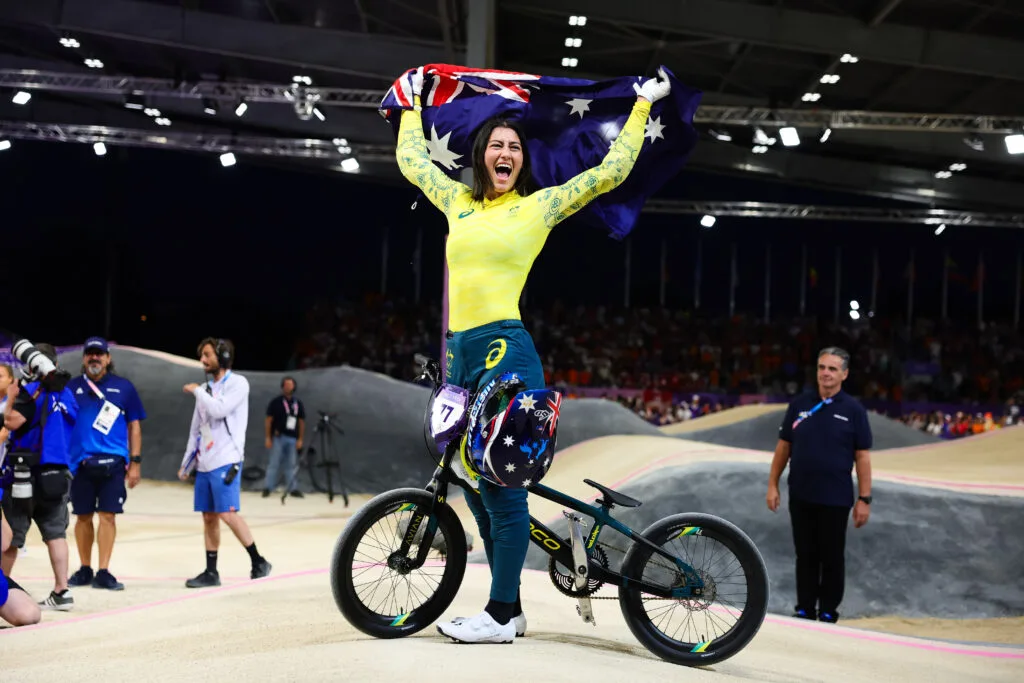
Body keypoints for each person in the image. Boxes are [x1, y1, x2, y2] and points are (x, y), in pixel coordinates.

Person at [394, 65, 672, 643]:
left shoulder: (537, 208)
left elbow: (609, 172)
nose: (505, 152)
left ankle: (498, 615)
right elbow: (414, 163)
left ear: (522, 161)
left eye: (514, 147)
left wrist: (641, 105)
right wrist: (413, 105)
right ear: (480, 155)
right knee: (471, 484)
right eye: (496, 145)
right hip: (461, 356)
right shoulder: (456, 203)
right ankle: (510, 607)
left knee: (499, 485)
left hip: (506, 353)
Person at [766, 346, 873, 624]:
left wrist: (865, 498)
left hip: (836, 498)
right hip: (801, 494)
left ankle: (828, 610)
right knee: (805, 555)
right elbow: (783, 447)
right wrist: (773, 484)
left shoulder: (853, 411)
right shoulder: (800, 405)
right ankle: (804, 607)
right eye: (822, 367)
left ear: (844, 374)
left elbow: (862, 456)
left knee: (832, 557)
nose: (826, 373)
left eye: (833, 369)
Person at [178, 338, 271, 588]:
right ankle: (211, 572)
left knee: (227, 513)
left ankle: (258, 560)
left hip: (226, 460)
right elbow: (196, 429)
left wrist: (198, 390)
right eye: (201, 356)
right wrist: (187, 462)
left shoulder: (238, 384)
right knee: (209, 516)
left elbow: (220, 410)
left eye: (207, 355)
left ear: (224, 356)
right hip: (205, 462)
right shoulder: (206, 389)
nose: (203, 360)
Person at [1, 343, 78, 611]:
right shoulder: (67, 394)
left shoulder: (32, 392)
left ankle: (3, 592)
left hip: (27, 474)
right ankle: (62, 591)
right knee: (56, 533)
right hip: (58, 475)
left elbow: (11, 422)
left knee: (13, 535)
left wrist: (12, 395)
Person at [65, 337, 146, 591]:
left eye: (99, 354)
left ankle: (103, 571)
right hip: (81, 463)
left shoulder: (124, 388)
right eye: (90, 354)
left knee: (108, 516)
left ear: (108, 359)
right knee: (82, 517)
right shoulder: (71, 387)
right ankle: (85, 568)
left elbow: (134, 425)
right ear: (83, 359)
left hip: (114, 463)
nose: (94, 358)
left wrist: (135, 462)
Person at [262, 376, 305, 498]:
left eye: (291, 385)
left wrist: (300, 439)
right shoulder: (276, 402)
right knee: (273, 463)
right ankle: (268, 487)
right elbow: (269, 420)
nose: (288, 387)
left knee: (291, 464)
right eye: (286, 385)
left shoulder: (298, 403)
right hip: (278, 437)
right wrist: (268, 437)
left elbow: (301, 422)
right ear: (282, 386)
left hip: (293, 437)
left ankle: (293, 488)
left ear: (294, 387)